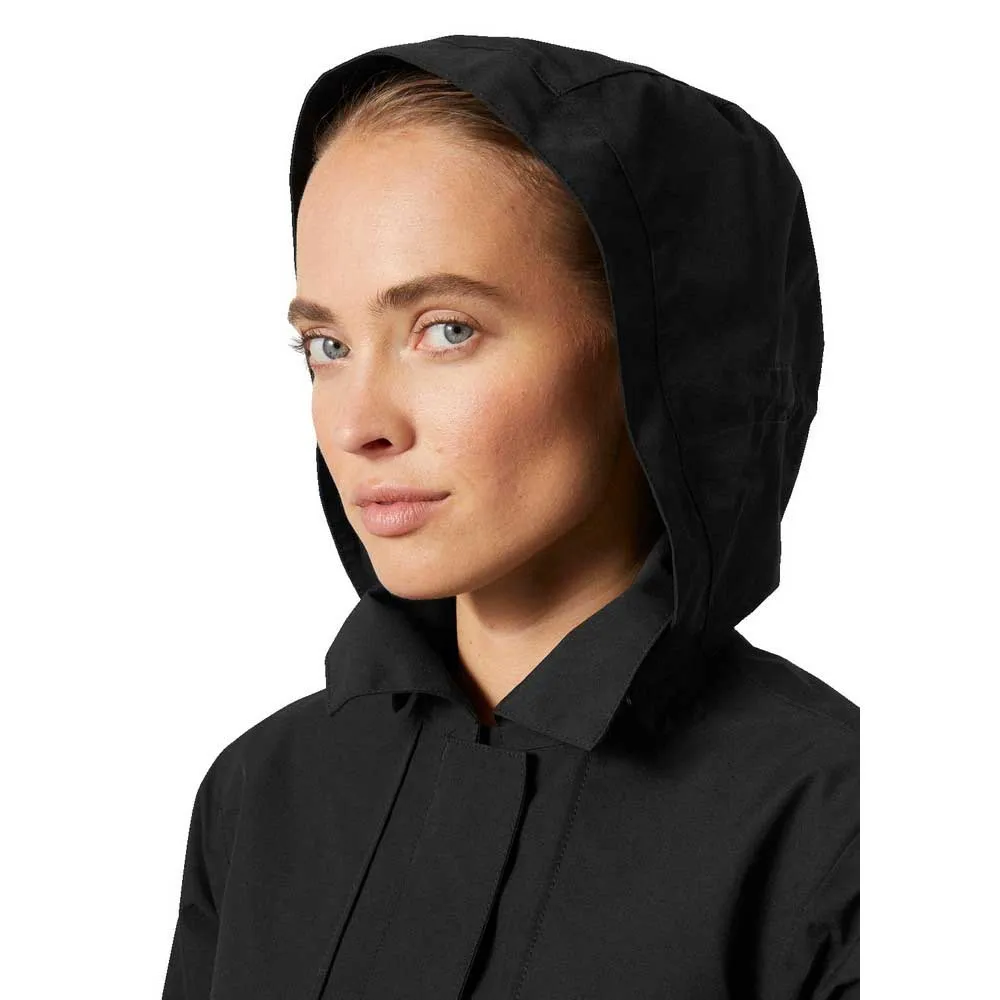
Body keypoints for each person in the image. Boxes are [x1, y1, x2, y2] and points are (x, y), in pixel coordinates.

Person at [162, 35, 859, 1000]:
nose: (357, 425)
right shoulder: (259, 794)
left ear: (661, 352)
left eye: (446, 330)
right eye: (325, 344)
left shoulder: (842, 826)